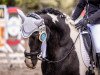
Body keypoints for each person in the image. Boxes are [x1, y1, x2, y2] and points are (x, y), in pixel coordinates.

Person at [71, 0, 100, 74]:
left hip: (97, 22)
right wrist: (71, 20)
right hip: (85, 21)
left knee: (98, 46)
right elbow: (80, 5)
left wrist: (88, 20)